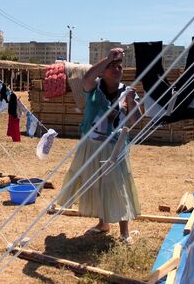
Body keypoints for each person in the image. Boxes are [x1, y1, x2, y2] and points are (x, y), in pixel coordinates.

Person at [58, 47, 142, 243]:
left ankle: (124, 233)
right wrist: (108, 58)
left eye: (119, 66)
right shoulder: (93, 88)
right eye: (112, 66)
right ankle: (103, 224)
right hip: (91, 144)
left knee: (116, 185)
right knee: (96, 183)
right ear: (103, 70)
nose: (116, 69)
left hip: (115, 145)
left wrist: (131, 102)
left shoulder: (127, 91)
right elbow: (87, 76)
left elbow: (136, 120)